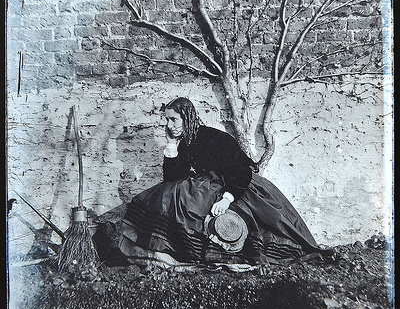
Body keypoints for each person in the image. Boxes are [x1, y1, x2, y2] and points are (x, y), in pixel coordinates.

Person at [118, 97, 334, 268]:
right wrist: (172, 146)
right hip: (207, 185)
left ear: (187, 117)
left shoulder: (214, 138)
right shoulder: (184, 142)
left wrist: (226, 199)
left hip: (237, 184)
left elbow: (240, 171)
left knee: (263, 222)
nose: (169, 125)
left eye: (173, 119)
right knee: (169, 194)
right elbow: (172, 180)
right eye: (166, 120)